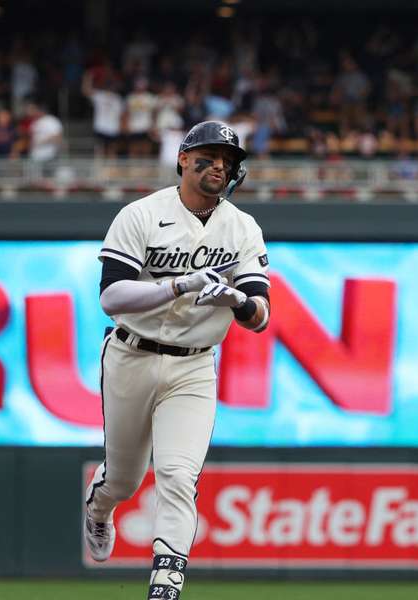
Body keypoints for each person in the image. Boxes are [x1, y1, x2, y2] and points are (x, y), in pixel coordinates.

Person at [85, 121, 270, 600]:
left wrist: (232, 298)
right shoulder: (142, 214)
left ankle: (166, 583)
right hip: (131, 353)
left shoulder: (242, 227)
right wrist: (182, 284)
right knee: (124, 479)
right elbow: (111, 297)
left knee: (177, 474)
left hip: (193, 366)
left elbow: (260, 316)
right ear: (184, 159)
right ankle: (99, 508)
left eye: (227, 160)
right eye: (208, 156)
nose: (219, 166)